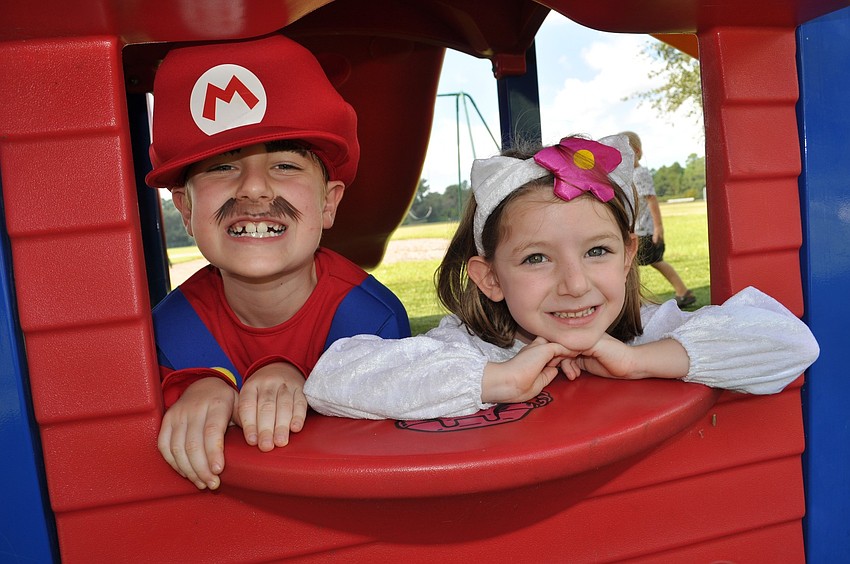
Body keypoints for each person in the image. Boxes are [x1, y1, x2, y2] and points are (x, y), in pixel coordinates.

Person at [304, 135, 819, 420]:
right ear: (490, 279)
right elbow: (333, 380)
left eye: (597, 251)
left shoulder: (647, 330)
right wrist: (498, 379)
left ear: (627, 257)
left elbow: (789, 342)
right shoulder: (472, 348)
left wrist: (639, 361)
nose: (575, 284)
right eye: (536, 259)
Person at [145, 35, 411, 490]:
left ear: (328, 205)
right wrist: (200, 386)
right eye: (221, 166)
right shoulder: (167, 331)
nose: (253, 189)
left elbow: (386, 453)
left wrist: (301, 379)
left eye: (285, 166)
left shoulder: (373, 321)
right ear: (185, 211)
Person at [621, 130, 696, 308]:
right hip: (634, 229)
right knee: (647, 263)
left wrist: (658, 228)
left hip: (643, 230)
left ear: (637, 152)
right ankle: (682, 292)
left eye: (626, 154)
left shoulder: (640, 174)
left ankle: (632, 301)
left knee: (633, 264)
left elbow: (651, 200)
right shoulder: (628, 176)